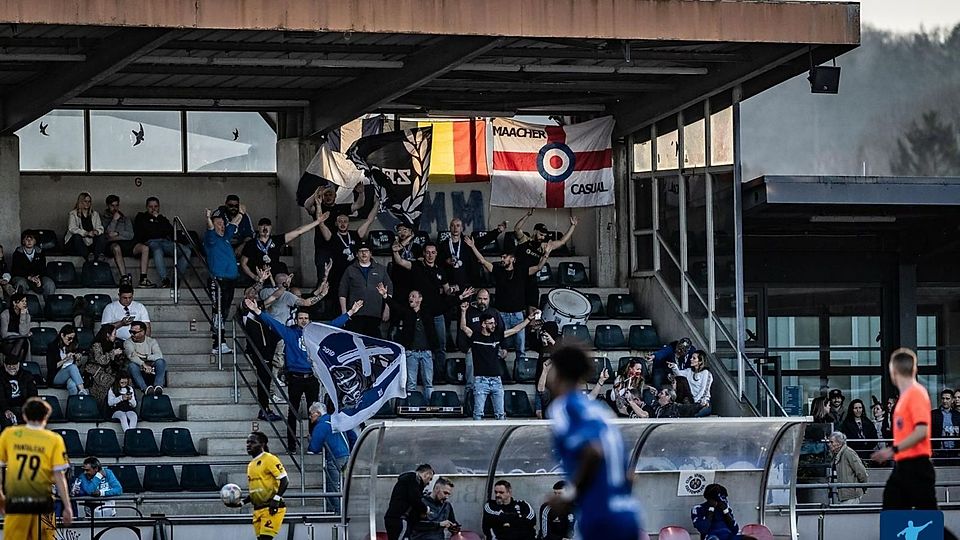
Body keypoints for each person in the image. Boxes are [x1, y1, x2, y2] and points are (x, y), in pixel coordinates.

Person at [544, 345, 642, 540]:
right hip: (629, 513)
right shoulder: (599, 411)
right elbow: (630, 476)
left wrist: (569, 496)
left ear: (557, 373)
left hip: (600, 516)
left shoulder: (564, 407)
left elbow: (593, 451)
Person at [243, 298, 361, 452]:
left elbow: (332, 326)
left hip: (311, 378)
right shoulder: (289, 333)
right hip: (295, 379)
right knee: (292, 413)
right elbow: (273, 323)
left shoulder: (315, 333)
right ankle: (291, 446)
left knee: (316, 413)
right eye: (301, 318)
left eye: (306, 318)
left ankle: (313, 445)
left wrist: (350, 312)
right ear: (296, 320)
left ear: (309, 320)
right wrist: (258, 311)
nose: (304, 321)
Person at [464, 235, 545, 373]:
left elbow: (538, 267)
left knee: (520, 348)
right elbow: (483, 261)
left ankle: (521, 373)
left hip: (518, 314)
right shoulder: (498, 270)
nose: (502, 259)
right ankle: (500, 373)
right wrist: (472, 246)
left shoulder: (521, 270)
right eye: (501, 257)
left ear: (512, 259)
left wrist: (546, 254)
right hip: (501, 315)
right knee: (498, 347)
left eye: (504, 257)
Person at [379, 282, 473, 400]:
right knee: (411, 383)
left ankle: (430, 404)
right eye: (409, 297)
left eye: (413, 296)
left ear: (420, 298)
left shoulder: (428, 311)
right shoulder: (407, 313)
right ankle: (412, 404)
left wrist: (460, 297)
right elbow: (395, 306)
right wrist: (385, 296)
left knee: (428, 383)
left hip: (427, 353)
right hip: (411, 353)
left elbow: (445, 306)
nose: (410, 298)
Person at [871, 347, 937, 509]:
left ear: (893, 370)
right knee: (893, 508)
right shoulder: (904, 398)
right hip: (904, 465)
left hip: (917, 465)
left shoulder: (916, 394)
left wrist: (891, 450)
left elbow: (921, 431)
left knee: (928, 520)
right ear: (914, 369)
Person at [0, 397, 74, 538]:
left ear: (24, 415)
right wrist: (67, 506)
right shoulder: (54, 439)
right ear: (46, 416)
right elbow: (59, 475)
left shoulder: (9, 434)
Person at [460, 305, 535, 420]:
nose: (493, 325)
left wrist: (528, 319)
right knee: (478, 414)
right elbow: (463, 327)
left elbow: (516, 329)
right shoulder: (475, 336)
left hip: (496, 380)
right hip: (481, 380)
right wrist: (463, 311)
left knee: (500, 415)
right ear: (483, 324)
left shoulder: (497, 336)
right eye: (490, 323)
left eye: (494, 323)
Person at [391, 241, 453, 380]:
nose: (430, 255)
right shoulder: (417, 266)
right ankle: (421, 376)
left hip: (437, 314)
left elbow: (448, 290)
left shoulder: (440, 270)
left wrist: (453, 290)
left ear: (436, 254)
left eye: (433, 252)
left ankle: (440, 375)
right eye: (428, 252)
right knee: (417, 347)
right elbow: (401, 262)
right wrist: (395, 252)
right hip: (421, 315)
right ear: (423, 253)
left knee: (440, 346)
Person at [512, 212, 578, 314]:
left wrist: (573, 226)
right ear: (535, 231)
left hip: (531, 280)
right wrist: (527, 215)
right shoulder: (524, 240)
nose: (542, 237)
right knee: (517, 309)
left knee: (532, 310)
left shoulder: (544, 247)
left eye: (544, 235)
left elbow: (562, 242)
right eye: (540, 234)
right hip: (518, 277)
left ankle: (532, 328)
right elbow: (516, 229)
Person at [227, 432, 289, 540]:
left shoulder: (270, 459)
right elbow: (255, 491)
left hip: (271, 508)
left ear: (262, 444)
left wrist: (276, 499)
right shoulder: (251, 465)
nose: (248, 445)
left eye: (252, 442)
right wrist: (241, 503)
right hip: (257, 510)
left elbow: (285, 480)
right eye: (247, 442)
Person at [318, 198, 379, 294]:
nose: (342, 223)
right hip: (337, 275)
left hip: (354, 274)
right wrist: (318, 205)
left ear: (348, 223)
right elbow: (321, 224)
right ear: (336, 223)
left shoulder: (356, 234)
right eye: (340, 221)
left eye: (345, 221)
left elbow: (369, 220)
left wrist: (377, 203)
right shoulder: (332, 236)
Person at [206, 206, 244, 354]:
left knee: (225, 311)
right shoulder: (211, 238)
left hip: (230, 281)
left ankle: (219, 342)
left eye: (223, 223)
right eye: (219, 224)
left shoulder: (226, 237)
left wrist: (241, 212)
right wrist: (209, 218)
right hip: (218, 281)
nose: (222, 226)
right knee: (218, 311)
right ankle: (218, 343)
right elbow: (210, 228)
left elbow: (234, 223)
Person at [240, 215, 323, 281]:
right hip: (259, 275)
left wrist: (317, 221)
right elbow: (243, 264)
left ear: (271, 227)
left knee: (284, 280)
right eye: (262, 225)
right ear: (258, 228)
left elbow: (298, 231)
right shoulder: (251, 244)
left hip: (276, 273)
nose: (265, 228)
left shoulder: (277, 240)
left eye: (267, 225)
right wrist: (254, 277)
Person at [132, 196, 191, 289]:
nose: (153, 209)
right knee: (157, 250)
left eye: (155, 206)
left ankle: (177, 279)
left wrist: (157, 220)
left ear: (159, 207)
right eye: (151, 207)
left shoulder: (162, 219)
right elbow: (147, 233)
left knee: (187, 251)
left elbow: (170, 231)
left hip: (165, 242)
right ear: (147, 207)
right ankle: (165, 280)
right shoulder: (141, 217)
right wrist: (154, 222)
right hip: (150, 242)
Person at [306, 402, 353, 514]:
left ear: (317, 413)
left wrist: (310, 440)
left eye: (311, 414)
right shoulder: (335, 420)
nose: (310, 417)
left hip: (334, 457)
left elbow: (313, 448)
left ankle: (336, 512)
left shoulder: (321, 425)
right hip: (346, 455)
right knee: (343, 486)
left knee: (333, 487)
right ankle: (344, 510)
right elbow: (352, 435)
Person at [338, 240, 392, 338]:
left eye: (366, 251)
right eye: (361, 251)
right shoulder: (350, 269)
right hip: (355, 314)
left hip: (375, 314)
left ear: (371, 253)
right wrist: (344, 313)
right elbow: (342, 292)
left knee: (374, 343)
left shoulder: (381, 269)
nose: (364, 253)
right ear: (356, 254)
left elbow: (389, 290)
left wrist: (387, 310)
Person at [459, 288, 504, 393]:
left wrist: (504, 347)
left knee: (494, 384)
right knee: (470, 383)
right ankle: (469, 407)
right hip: (474, 351)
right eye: (479, 299)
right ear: (476, 299)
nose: (482, 301)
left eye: (485, 299)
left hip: (491, 351)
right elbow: (462, 330)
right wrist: (466, 348)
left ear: (489, 299)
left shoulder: (494, 312)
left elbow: (501, 331)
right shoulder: (469, 312)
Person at [259, 268, 330, 326]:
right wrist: (323, 294)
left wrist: (325, 277)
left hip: (267, 325)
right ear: (287, 282)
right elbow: (306, 303)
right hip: (281, 329)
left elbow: (275, 292)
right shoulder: (287, 295)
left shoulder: (264, 292)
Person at [103, 194, 146, 286]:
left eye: (117, 205)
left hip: (127, 244)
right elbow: (108, 235)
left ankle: (143, 279)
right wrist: (114, 220)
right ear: (108, 206)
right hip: (112, 245)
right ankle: (124, 277)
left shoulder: (125, 219)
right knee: (116, 247)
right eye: (112, 205)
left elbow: (130, 235)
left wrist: (117, 234)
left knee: (145, 248)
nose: (115, 208)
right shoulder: (103, 218)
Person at [384, 463, 434, 540]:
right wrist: (425, 509)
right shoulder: (413, 479)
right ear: (426, 474)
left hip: (394, 518)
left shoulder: (405, 483)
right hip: (400, 519)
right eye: (430, 479)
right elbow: (415, 499)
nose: (428, 483)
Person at [83, 324, 126, 403]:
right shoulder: (96, 345)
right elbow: (100, 360)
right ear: (107, 334)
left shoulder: (112, 344)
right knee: (111, 381)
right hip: (95, 371)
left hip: (107, 371)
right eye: (114, 334)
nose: (115, 336)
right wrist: (113, 353)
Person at [123, 321, 167, 396]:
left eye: (134, 332)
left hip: (150, 370)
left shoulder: (151, 341)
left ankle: (158, 386)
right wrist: (143, 364)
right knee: (132, 365)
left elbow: (159, 355)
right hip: (137, 371)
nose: (132, 334)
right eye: (131, 331)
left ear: (143, 332)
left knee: (161, 362)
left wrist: (145, 356)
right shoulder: (127, 342)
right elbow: (132, 357)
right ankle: (145, 389)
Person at [10, 230, 55, 297]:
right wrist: (29, 277)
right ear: (23, 241)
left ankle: (49, 304)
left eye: (31, 239)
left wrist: (38, 279)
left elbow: (43, 269)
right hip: (22, 277)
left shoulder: (40, 252)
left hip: (37, 277)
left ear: (35, 241)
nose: (29, 241)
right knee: (21, 283)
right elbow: (16, 270)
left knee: (49, 283)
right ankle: (21, 304)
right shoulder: (18, 253)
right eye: (26, 239)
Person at [45, 324, 88, 396]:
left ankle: (75, 405)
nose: (71, 340)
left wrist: (78, 359)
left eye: (72, 338)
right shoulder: (52, 347)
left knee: (72, 384)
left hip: (70, 375)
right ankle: (83, 391)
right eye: (69, 338)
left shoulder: (73, 346)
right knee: (72, 367)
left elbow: (76, 367)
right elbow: (51, 367)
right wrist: (65, 359)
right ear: (62, 335)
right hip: (56, 376)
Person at [827, 431, 868, 504]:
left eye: (831, 442)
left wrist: (863, 487)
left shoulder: (848, 453)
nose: (829, 444)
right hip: (844, 494)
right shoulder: (837, 455)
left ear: (839, 443)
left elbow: (861, 472)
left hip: (851, 494)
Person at [65, 191, 107, 262]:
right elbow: (72, 228)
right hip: (77, 242)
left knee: (101, 236)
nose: (87, 203)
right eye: (85, 201)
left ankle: (98, 256)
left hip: (90, 241)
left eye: (89, 201)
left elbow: (100, 227)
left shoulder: (95, 214)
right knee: (76, 236)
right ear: (81, 202)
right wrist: (86, 233)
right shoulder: (73, 214)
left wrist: (96, 231)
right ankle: (88, 257)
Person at [670, 351, 713, 417]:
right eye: (691, 358)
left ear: (700, 361)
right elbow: (678, 374)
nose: (691, 359)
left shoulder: (706, 373)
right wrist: (674, 367)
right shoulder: (689, 371)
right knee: (681, 380)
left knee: (694, 414)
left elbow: (704, 390)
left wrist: (696, 402)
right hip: (690, 400)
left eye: (694, 358)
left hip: (702, 402)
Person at [0, 355, 38, 426]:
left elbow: (33, 393)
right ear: (5, 365)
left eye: (14, 365)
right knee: (6, 419)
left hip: (24, 406)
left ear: (18, 364)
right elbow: (1, 397)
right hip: (7, 407)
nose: (11, 368)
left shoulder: (26, 375)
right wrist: (6, 410)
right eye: (9, 366)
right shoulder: (1, 376)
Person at [931, 388, 960, 459]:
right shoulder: (933, 414)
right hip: (938, 451)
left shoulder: (957, 415)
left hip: (955, 451)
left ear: (952, 400)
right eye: (943, 398)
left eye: (947, 398)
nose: (945, 401)